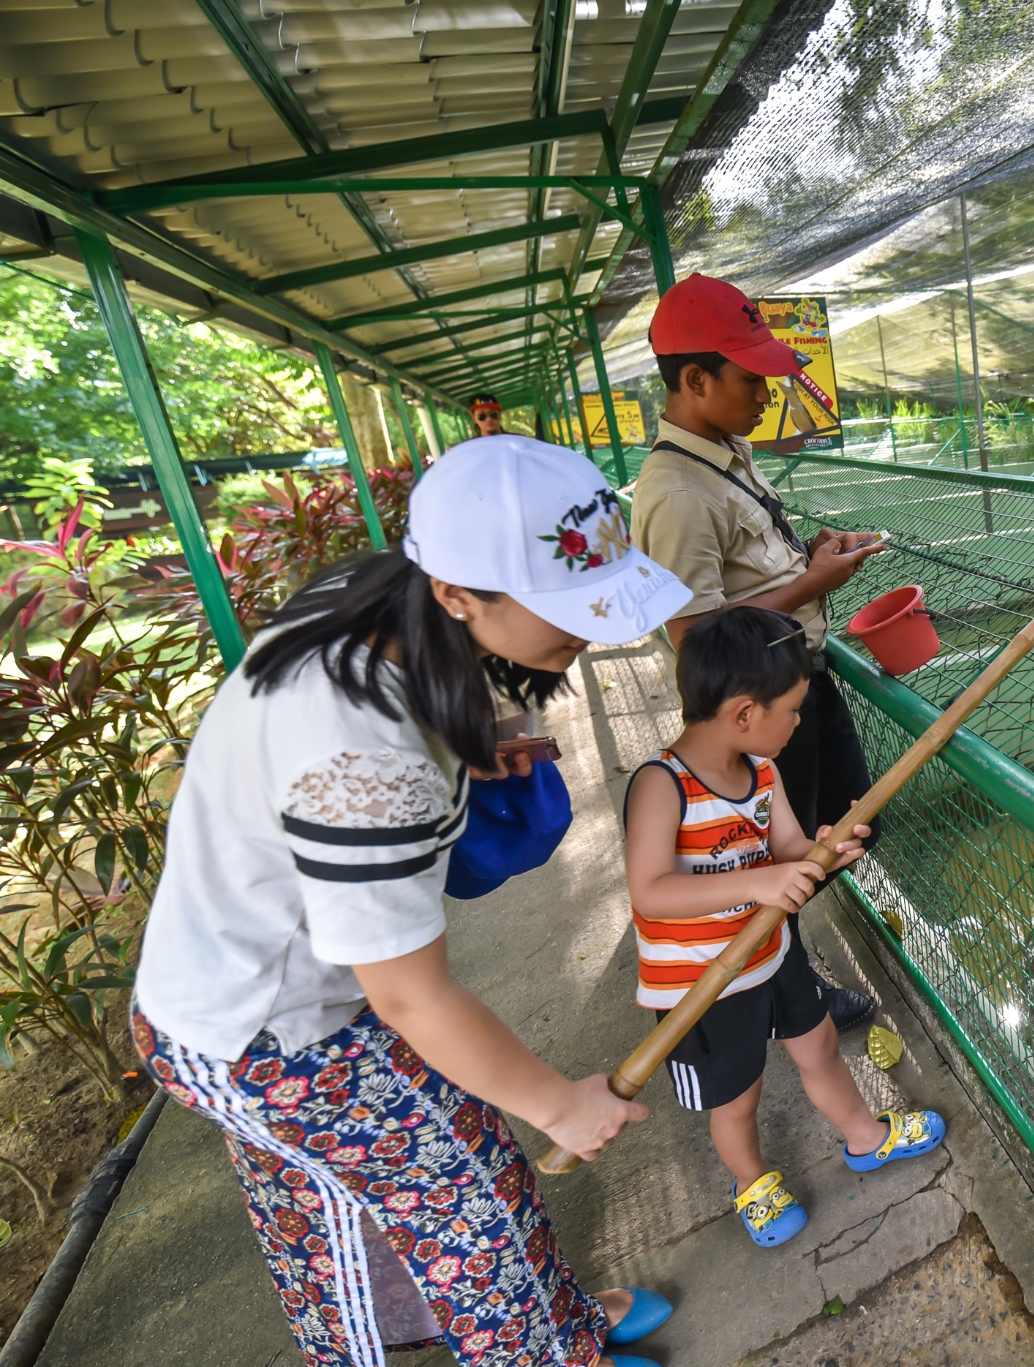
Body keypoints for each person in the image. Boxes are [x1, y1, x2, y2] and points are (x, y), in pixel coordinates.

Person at [132, 436, 690, 1367]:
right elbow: (412, 997)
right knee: (468, 1193)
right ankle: (547, 1350)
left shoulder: (369, 602)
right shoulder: (361, 755)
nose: (588, 630)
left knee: (373, 1202)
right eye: (565, 610)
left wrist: (467, 737)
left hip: (221, 998)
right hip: (272, 1030)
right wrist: (559, 1103)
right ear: (458, 595)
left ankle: (546, 1326)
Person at [622, 605, 944, 1248]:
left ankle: (865, 1137)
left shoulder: (762, 773)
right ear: (745, 713)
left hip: (771, 954)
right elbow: (651, 893)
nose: (800, 722)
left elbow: (789, 847)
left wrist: (826, 847)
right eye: (793, 709)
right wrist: (757, 882)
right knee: (737, 1098)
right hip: (699, 988)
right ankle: (753, 1183)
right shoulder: (662, 786)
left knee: (821, 1047)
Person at [629, 272, 888, 1033]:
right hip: (760, 705)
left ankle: (782, 963)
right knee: (787, 856)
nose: (767, 393)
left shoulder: (725, 448)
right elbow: (694, 632)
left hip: (796, 677)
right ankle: (788, 987)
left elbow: (749, 570)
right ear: (696, 379)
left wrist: (811, 559)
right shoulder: (675, 490)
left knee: (851, 819)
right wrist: (814, 580)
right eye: (753, 378)